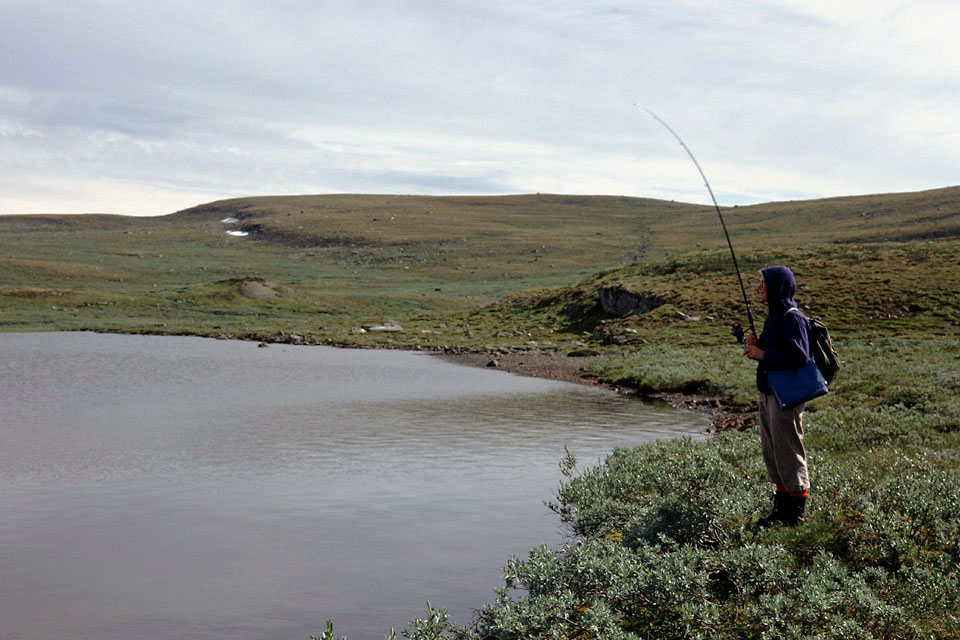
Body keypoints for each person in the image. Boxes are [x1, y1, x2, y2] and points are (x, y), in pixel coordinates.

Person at [743, 265, 811, 527]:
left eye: (763, 283)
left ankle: (795, 514)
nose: (759, 288)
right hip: (770, 391)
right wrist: (759, 344)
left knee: (788, 449)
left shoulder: (793, 318)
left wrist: (763, 355)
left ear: (776, 287)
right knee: (772, 449)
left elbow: (799, 356)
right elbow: (780, 348)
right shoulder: (775, 316)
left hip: (786, 395)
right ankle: (781, 511)